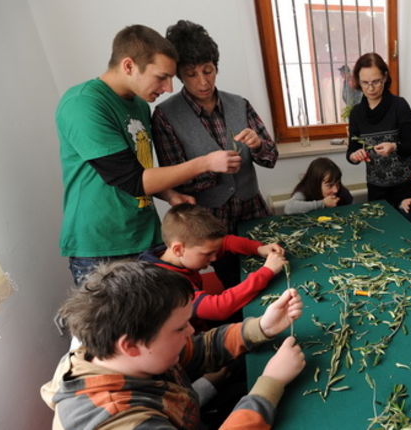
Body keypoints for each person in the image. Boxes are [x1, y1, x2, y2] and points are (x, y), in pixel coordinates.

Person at [58, 24, 243, 285]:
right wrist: (205, 163)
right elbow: (132, 179)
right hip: (102, 247)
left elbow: (142, 170)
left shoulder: (140, 106)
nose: (168, 88)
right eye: (161, 77)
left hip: (146, 235)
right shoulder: (83, 104)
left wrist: (169, 194)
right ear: (129, 66)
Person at [41, 261, 306, 429]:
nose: (191, 331)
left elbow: (198, 349)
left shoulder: (123, 354)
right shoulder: (120, 422)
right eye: (180, 328)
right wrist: (271, 382)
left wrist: (262, 327)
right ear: (130, 346)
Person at [153, 20, 279, 288]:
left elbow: (271, 158)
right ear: (179, 75)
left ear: (216, 67)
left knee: (273, 277)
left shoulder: (239, 104)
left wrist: (257, 145)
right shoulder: (166, 116)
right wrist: (211, 167)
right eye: (191, 74)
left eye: (208, 71)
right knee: (234, 284)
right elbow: (174, 180)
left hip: (253, 212)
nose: (203, 81)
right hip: (210, 225)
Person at [139, 203, 286, 329]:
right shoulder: (165, 284)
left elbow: (226, 242)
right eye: (208, 254)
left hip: (201, 322)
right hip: (193, 342)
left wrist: (258, 248)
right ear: (178, 249)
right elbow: (218, 309)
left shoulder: (176, 253)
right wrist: (266, 272)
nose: (214, 258)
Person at [346, 52, 411, 208]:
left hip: (404, 186)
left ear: (385, 77)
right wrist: (355, 155)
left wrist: (394, 146)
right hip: (376, 187)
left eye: (376, 82)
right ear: (358, 81)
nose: (370, 88)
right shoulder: (356, 113)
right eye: (365, 83)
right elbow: (351, 151)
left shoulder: (399, 105)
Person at [284, 157, 354, 214]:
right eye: (329, 186)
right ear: (315, 183)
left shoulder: (343, 193)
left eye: (337, 184)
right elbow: (289, 208)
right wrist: (323, 203)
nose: (335, 190)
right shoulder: (305, 191)